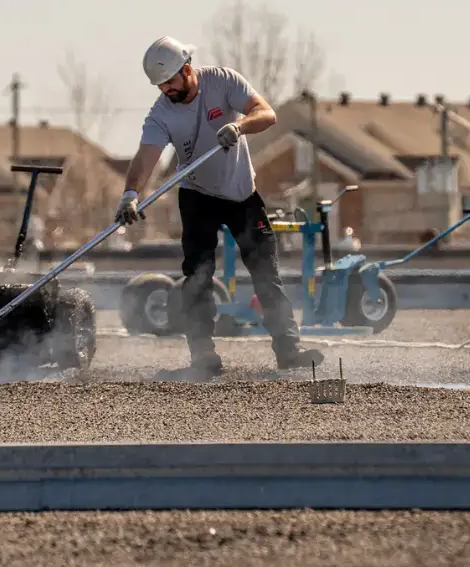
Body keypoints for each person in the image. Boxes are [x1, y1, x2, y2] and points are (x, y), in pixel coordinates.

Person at [115, 36, 324, 380]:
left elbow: (266, 114)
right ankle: (203, 356)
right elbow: (145, 157)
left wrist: (239, 127)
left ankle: (289, 351)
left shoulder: (223, 80)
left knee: (265, 273)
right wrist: (131, 194)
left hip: (243, 195)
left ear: (187, 70)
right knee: (197, 276)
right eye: (159, 85)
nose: (165, 89)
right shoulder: (161, 114)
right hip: (197, 196)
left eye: (169, 82)